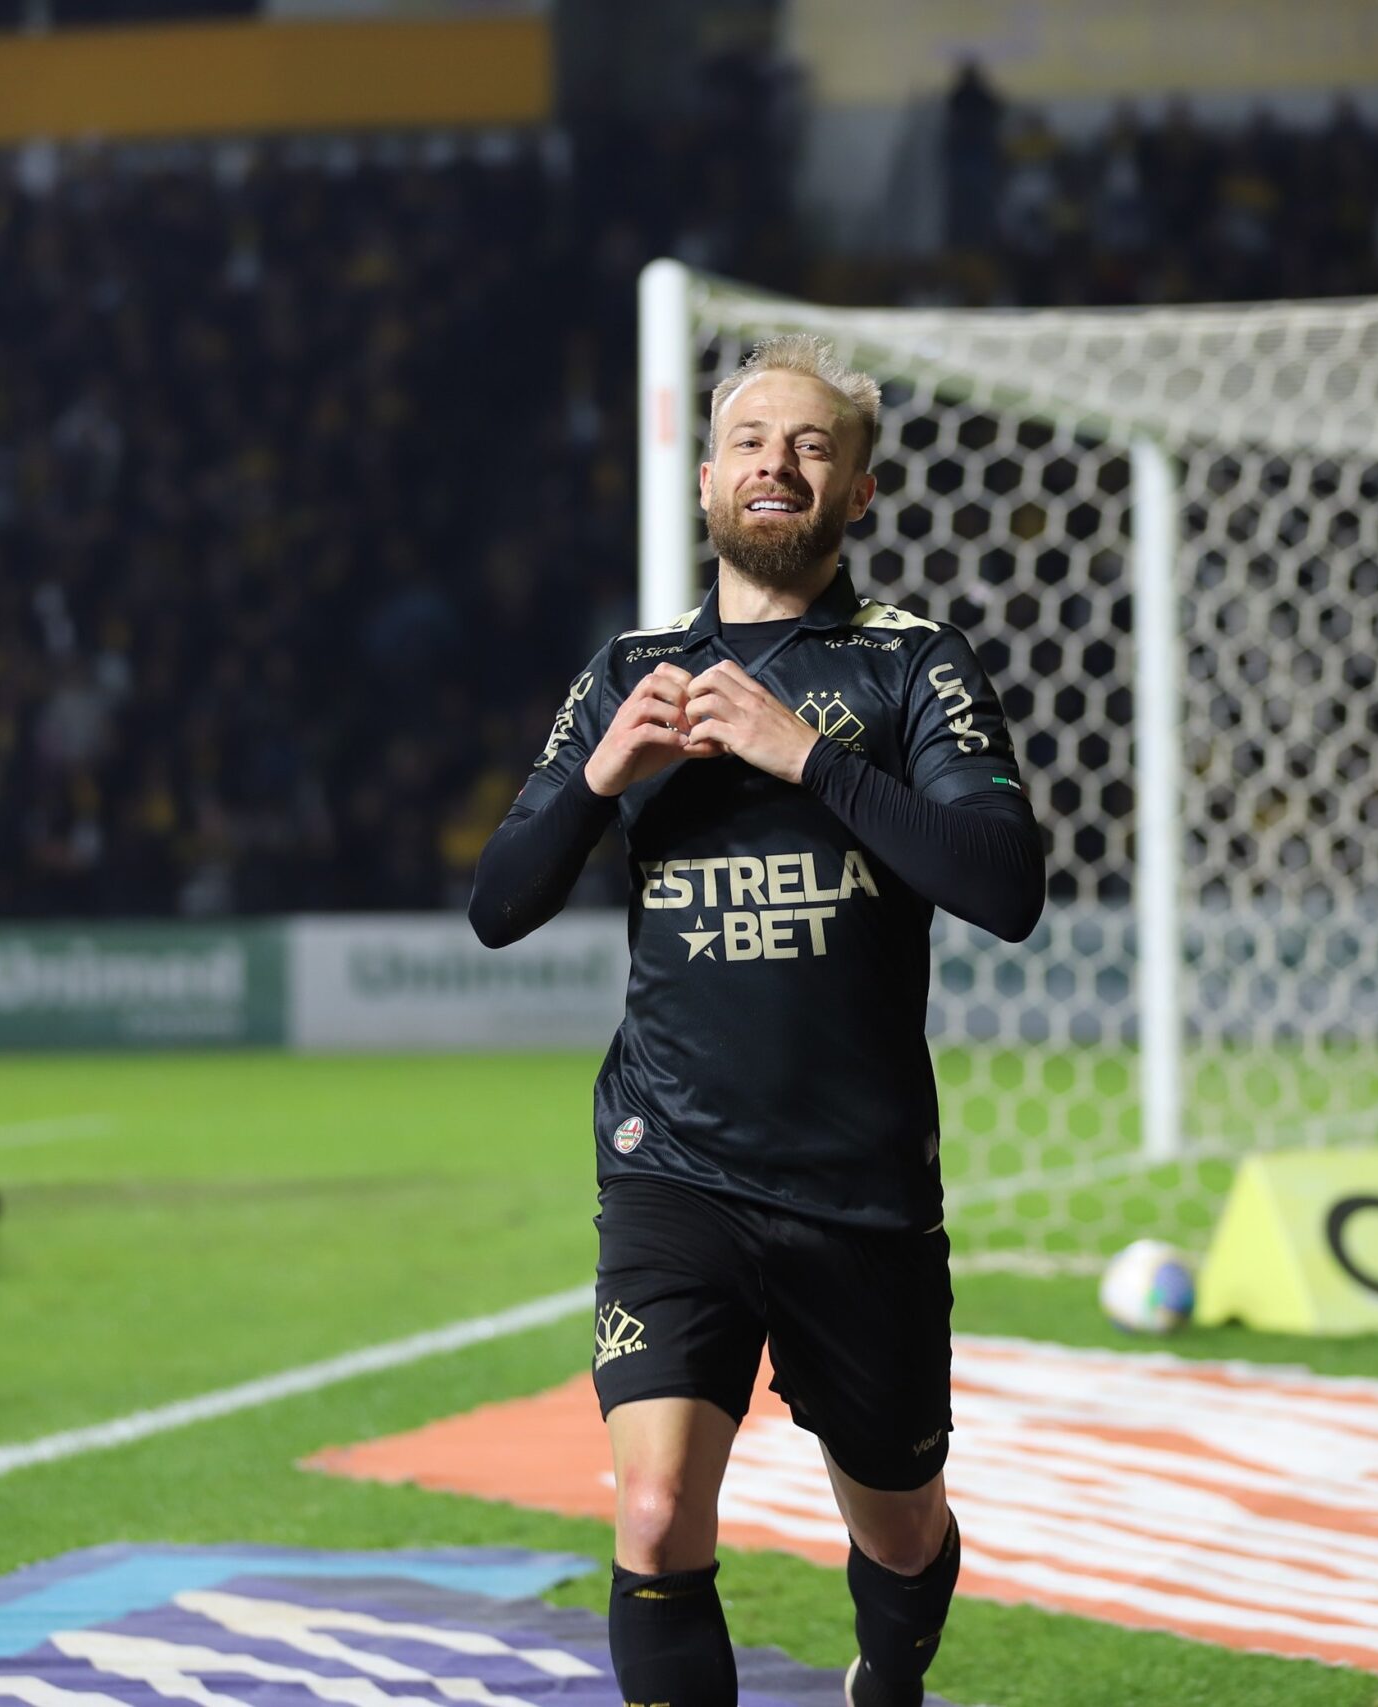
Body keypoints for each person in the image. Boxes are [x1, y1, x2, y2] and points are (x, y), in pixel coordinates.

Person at [469, 335, 1045, 1707]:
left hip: (858, 1184)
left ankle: (890, 1674)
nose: (775, 463)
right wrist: (602, 777)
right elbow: (499, 902)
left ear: (856, 492)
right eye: (750, 442)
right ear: (709, 477)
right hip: (673, 1162)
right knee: (658, 1512)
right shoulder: (631, 674)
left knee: (899, 1521)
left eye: (811, 446)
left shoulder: (913, 666)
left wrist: (808, 756)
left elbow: (1004, 884)